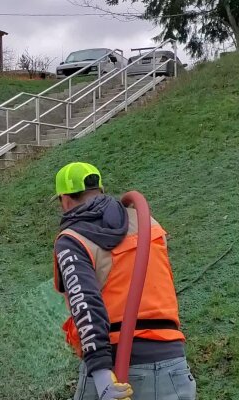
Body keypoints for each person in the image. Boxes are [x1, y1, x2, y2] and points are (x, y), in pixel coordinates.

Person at [52, 162, 196, 400]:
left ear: (65, 200)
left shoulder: (72, 239)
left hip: (117, 371)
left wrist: (100, 374)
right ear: (101, 189)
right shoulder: (148, 222)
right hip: (174, 366)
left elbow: (85, 304)